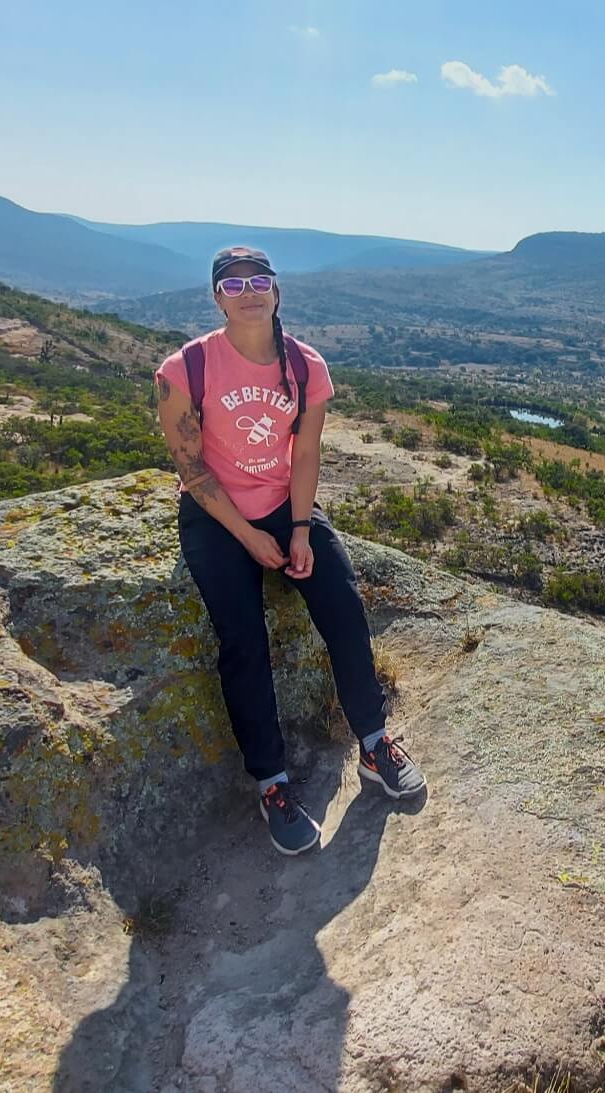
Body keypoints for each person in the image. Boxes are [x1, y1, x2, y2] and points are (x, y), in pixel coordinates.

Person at [154, 245, 426, 856]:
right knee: (244, 640)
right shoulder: (185, 370)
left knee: (345, 609)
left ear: (277, 291)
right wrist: (249, 538)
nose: (247, 290)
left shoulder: (306, 367)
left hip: (286, 505)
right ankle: (272, 783)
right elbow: (192, 471)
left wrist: (300, 530)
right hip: (216, 514)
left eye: (259, 280)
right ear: (217, 297)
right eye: (232, 283)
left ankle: (375, 744)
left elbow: (304, 455)